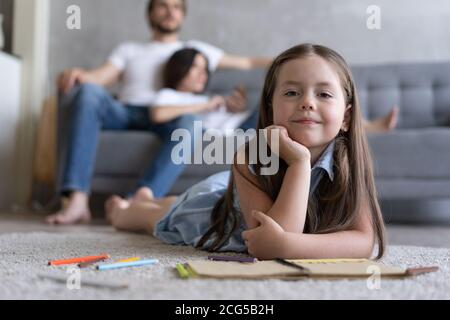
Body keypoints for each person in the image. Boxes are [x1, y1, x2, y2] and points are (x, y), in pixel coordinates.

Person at [105, 43, 386, 261]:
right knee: (154, 218)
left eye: (323, 94)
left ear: (347, 118)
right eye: (291, 93)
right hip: (211, 214)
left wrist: (288, 244)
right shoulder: (247, 158)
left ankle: (149, 197)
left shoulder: (351, 162)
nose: (307, 103)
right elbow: (273, 242)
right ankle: (124, 209)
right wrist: (299, 163)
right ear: (270, 108)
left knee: (172, 201)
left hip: (229, 193)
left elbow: (363, 241)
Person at [46, 0, 271, 225]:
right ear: (150, 14)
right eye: (163, 5)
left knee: (191, 123)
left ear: (182, 15)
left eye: (176, 7)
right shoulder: (130, 49)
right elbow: (98, 79)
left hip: (171, 117)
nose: (170, 11)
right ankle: (77, 198)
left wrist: (290, 60)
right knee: (87, 92)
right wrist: (78, 74)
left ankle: (137, 201)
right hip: (126, 111)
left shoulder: (197, 51)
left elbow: (248, 61)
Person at [151, 47, 254, 133]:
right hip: (231, 134)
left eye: (205, 69)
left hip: (242, 125)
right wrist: (207, 105)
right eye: (196, 67)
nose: (203, 74)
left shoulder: (206, 97)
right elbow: (158, 114)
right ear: (179, 68)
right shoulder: (168, 94)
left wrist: (234, 107)